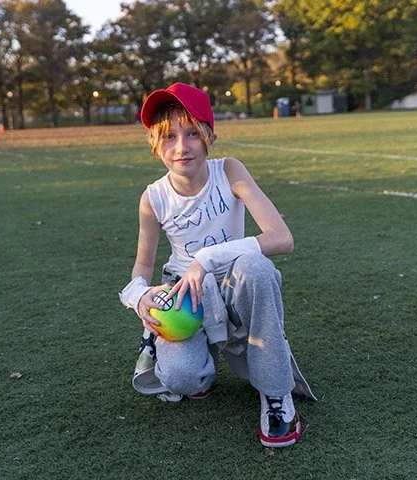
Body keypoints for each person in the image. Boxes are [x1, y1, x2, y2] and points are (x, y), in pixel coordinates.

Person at [119, 82, 316, 448]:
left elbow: (280, 238)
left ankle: (276, 396)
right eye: (169, 136)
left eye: (192, 133)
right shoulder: (153, 197)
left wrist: (205, 259)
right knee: (182, 380)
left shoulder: (230, 172)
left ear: (210, 134)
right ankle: (166, 345)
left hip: (235, 279)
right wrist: (140, 297)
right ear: (154, 143)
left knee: (258, 269)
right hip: (184, 293)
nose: (181, 146)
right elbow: (142, 266)